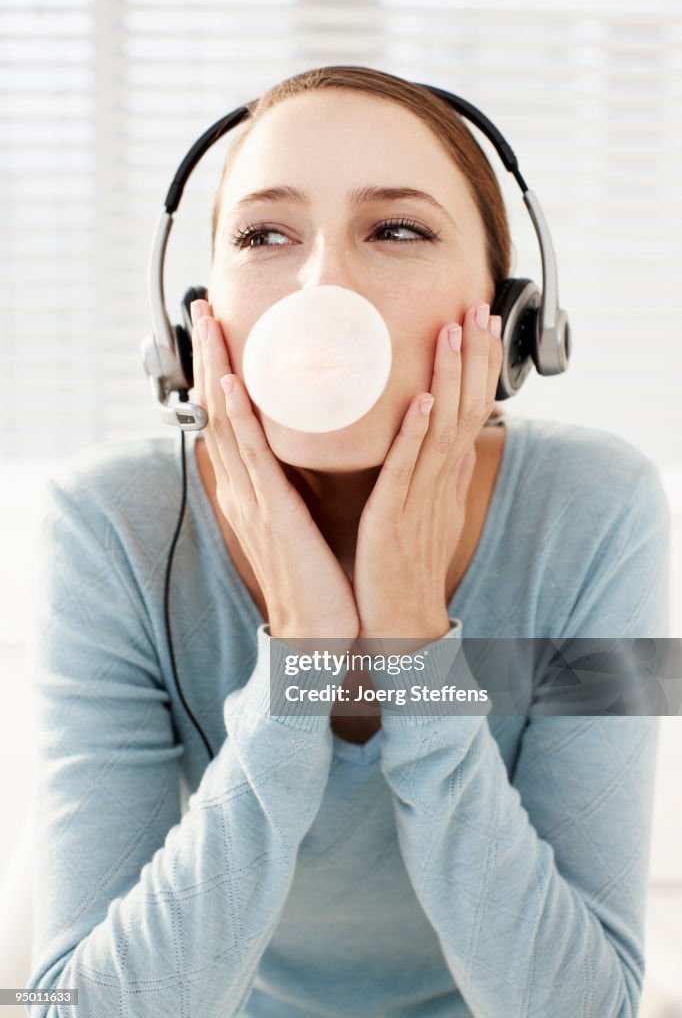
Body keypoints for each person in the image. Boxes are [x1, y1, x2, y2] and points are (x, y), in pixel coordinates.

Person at [28, 66, 669, 1017]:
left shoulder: (603, 509)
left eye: (399, 228)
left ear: (511, 322)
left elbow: (587, 1007)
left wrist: (415, 646)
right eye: (264, 235)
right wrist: (300, 661)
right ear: (194, 330)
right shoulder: (105, 526)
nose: (322, 286)